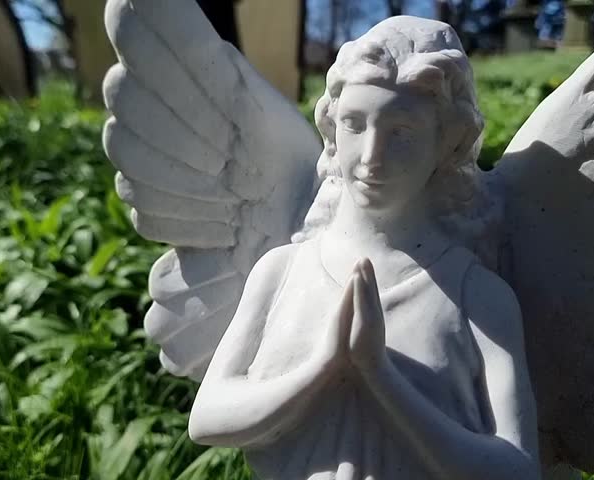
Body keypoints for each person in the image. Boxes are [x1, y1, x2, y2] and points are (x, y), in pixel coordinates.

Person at [187, 17, 541, 480]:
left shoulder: (478, 298)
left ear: (447, 142)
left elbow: (518, 469)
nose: (371, 155)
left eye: (402, 132)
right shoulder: (281, 272)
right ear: (332, 128)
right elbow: (207, 418)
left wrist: (380, 376)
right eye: (354, 124)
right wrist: (323, 366)